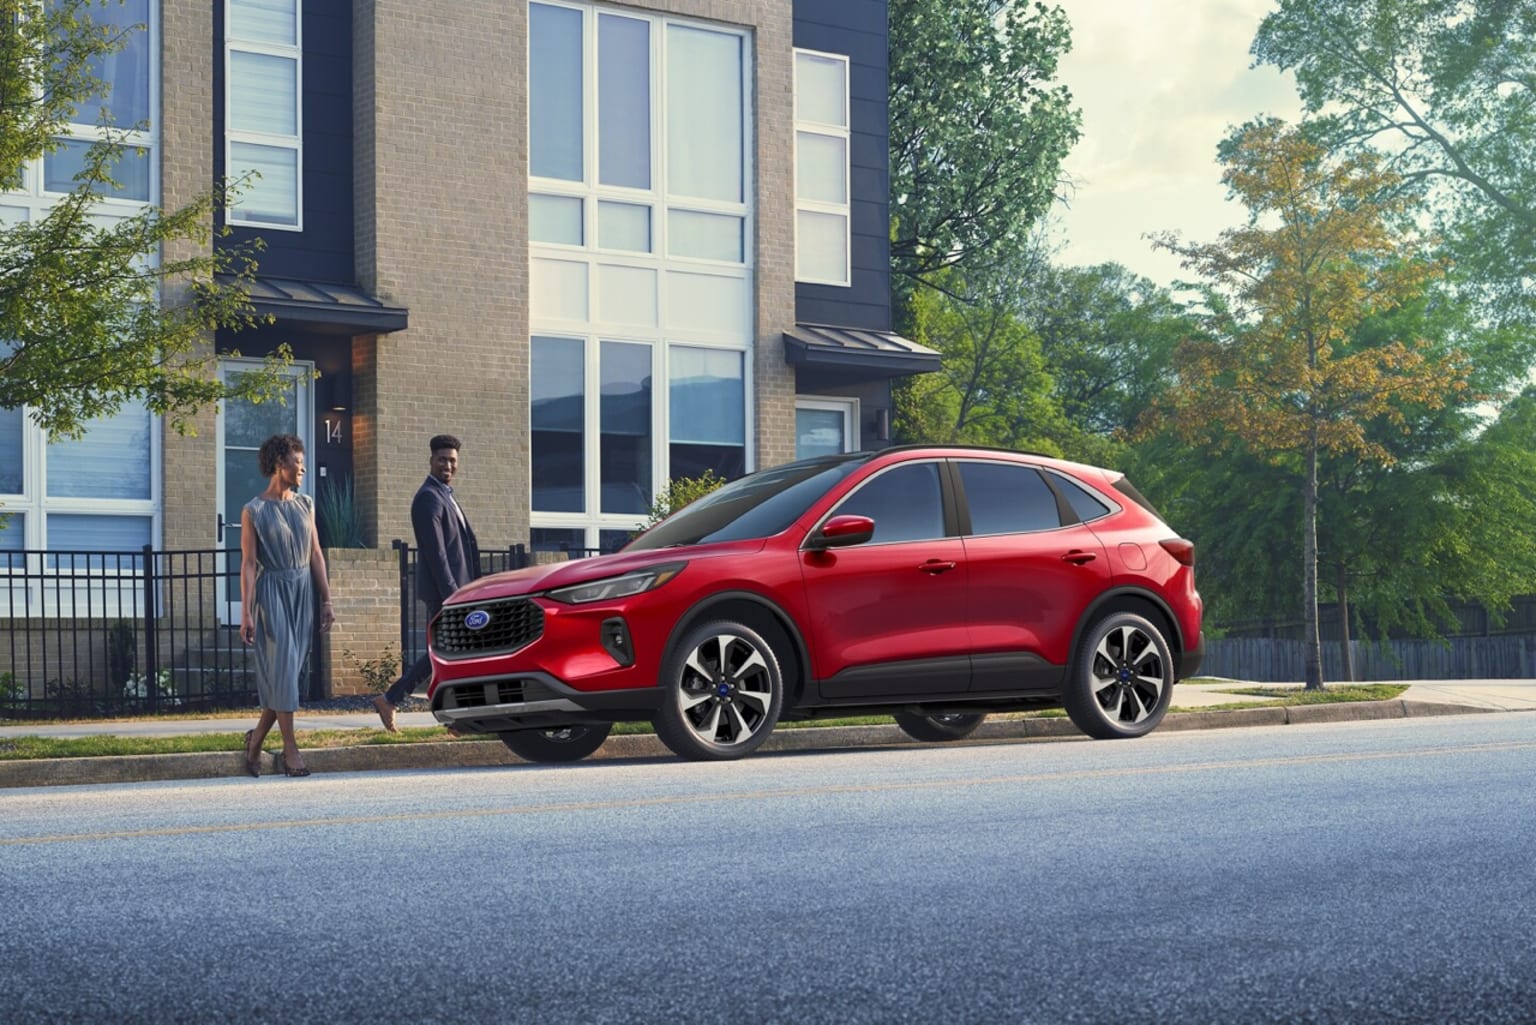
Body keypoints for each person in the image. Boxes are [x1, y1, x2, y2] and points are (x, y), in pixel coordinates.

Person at [240, 434, 335, 778]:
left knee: (287, 677)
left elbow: (316, 555)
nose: (303, 468)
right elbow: (249, 564)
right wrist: (246, 612)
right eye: (297, 461)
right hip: (272, 595)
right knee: (283, 671)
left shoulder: (305, 504)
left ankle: (255, 742)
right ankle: (290, 750)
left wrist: (326, 599)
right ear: (280, 463)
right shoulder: (254, 510)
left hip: (302, 592)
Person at [373, 433, 480, 731]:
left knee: (449, 655)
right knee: (444, 654)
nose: (448, 465)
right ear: (431, 460)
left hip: (459, 590)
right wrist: (452, 595)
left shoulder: (447, 495)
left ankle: (401, 702)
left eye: (453, 460)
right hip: (444, 593)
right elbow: (436, 555)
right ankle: (399, 701)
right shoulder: (428, 498)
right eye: (442, 459)